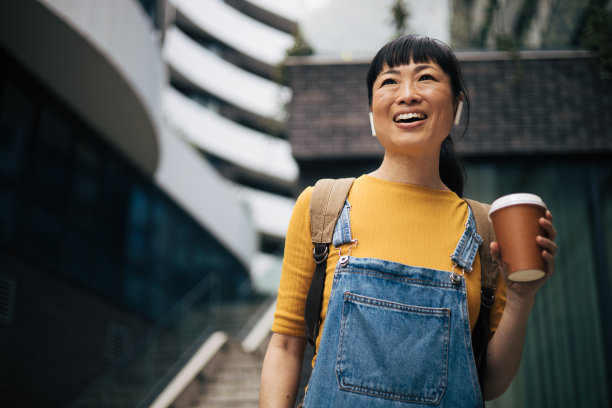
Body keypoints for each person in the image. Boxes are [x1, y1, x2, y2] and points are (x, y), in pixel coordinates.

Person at [260, 35, 557, 407]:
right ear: (372, 112)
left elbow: (490, 383)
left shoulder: (484, 228)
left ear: (457, 106)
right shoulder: (321, 206)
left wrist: (520, 299)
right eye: (389, 82)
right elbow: (285, 346)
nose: (408, 94)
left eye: (426, 78)